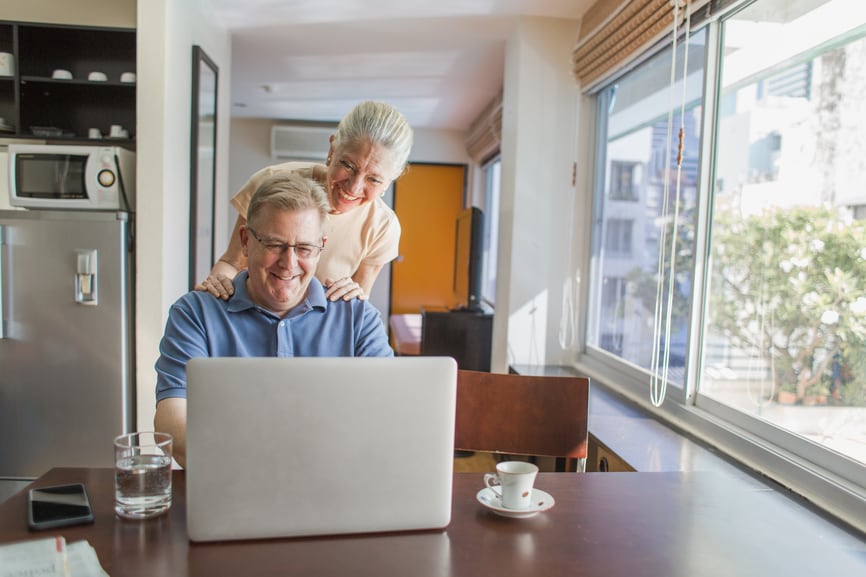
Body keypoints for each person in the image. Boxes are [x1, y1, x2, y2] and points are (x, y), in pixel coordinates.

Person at [155, 173, 394, 467]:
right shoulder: (196, 315)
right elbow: (171, 424)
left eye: (304, 248)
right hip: (230, 491)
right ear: (245, 241)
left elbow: (387, 420)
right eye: (275, 244)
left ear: (321, 246)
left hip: (335, 490)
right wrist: (270, 465)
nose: (289, 263)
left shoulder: (359, 319)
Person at [198, 100, 413, 302]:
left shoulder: (382, 228)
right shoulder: (269, 183)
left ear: (391, 179)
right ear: (332, 149)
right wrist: (216, 293)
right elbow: (231, 263)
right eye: (348, 165)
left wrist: (354, 295)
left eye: (374, 179)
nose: (354, 187)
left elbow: (356, 312)